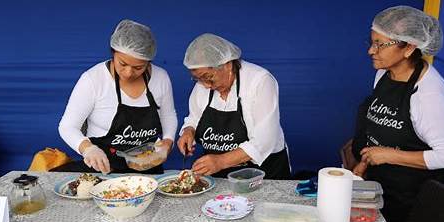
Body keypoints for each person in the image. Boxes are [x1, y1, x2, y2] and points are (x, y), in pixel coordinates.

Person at [352, 6, 444, 222]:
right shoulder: (383, 74)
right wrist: (363, 164)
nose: (371, 51)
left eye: (380, 44)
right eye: (372, 42)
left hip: (410, 200)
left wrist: (389, 154)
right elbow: (377, 128)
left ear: (409, 48)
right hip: (379, 189)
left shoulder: (429, 94)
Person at [57, 19, 177, 174]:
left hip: (147, 165)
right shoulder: (93, 79)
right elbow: (67, 127)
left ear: (148, 62)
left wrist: (168, 141)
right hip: (103, 166)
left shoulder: (161, 78)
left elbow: (168, 115)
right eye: (122, 63)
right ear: (113, 53)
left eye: (138, 67)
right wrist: (88, 149)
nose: (128, 73)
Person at [177, 33, 292, 179]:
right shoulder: (202, 86)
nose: (205, 85)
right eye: (198, 79)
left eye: (208, 77)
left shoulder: (259, 81)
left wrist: (221, 161)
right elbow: (194, 117)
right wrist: (188, 131)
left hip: (265, 172)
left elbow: (265, 141)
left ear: (228, 65)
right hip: (220, 176)